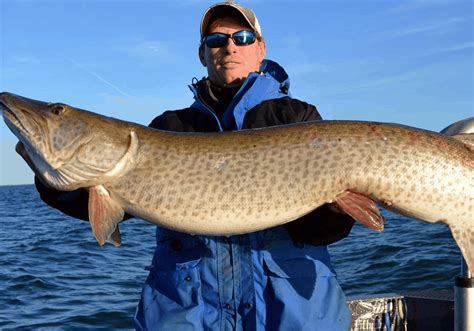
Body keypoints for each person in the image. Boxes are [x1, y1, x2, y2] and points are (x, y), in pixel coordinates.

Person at [21, 2, 355, 330]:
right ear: (202, 54)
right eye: (215, 40)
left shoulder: (296, 118)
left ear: (260, 48)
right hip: (188, 313)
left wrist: (340, 207)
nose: (229, 47)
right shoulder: (169, 127)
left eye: (241, 38)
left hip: (289, 312)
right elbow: (96, 202)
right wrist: (51, 176)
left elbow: (321, 232)